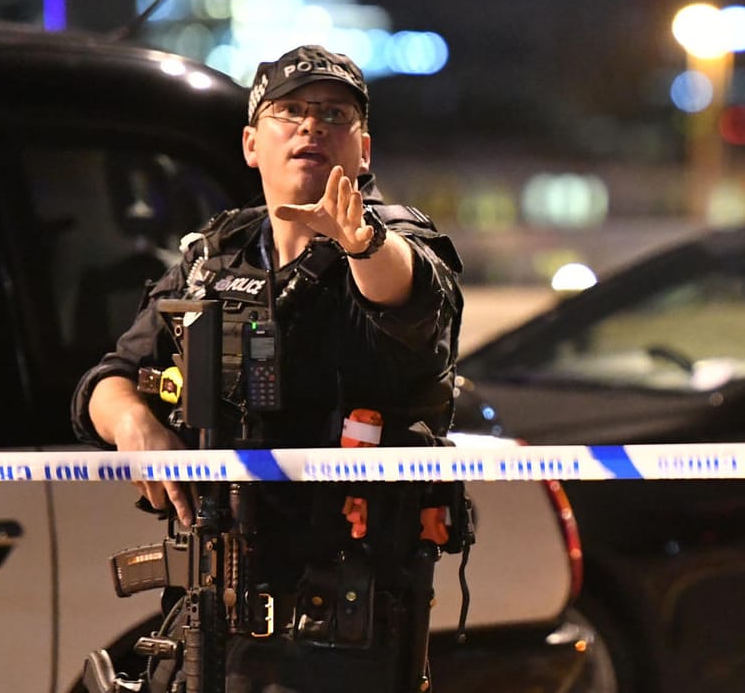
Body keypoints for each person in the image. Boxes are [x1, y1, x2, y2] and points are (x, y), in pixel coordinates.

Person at [71, 45, 464, 692]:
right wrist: (135, 423)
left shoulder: (393, 243)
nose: (312, 126)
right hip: (215, 601)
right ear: (252, 143)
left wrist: (360, 241)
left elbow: (412, 300)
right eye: (291, 111)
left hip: (343, 615)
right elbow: (107, 379)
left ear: (362, 150)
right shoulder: (214, 257)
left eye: (334, 114)